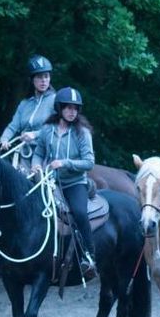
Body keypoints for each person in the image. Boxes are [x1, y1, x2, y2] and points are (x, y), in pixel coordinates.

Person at [31, 87, 97, 280]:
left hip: (74, 183)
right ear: (59, 108)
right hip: (50, 182)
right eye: (68, 107)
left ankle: (89, 256)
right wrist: (36, 165)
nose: (72, 111)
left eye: (75, 108)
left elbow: (89, 162)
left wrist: (64, 163)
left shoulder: (82, 133)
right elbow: (39, 153)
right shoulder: (46, 130)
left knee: (79, 212)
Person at [0, 55, 56, 168]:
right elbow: (12, 127)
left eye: (46, 76)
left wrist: (35, 135)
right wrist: (4, 139)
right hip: (24, 154)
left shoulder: (55, 100)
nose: (44, 80)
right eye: (39, 77)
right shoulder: (25, 104)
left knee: (40, 181)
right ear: (32, 80)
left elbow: (57, 128)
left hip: (46, 154)